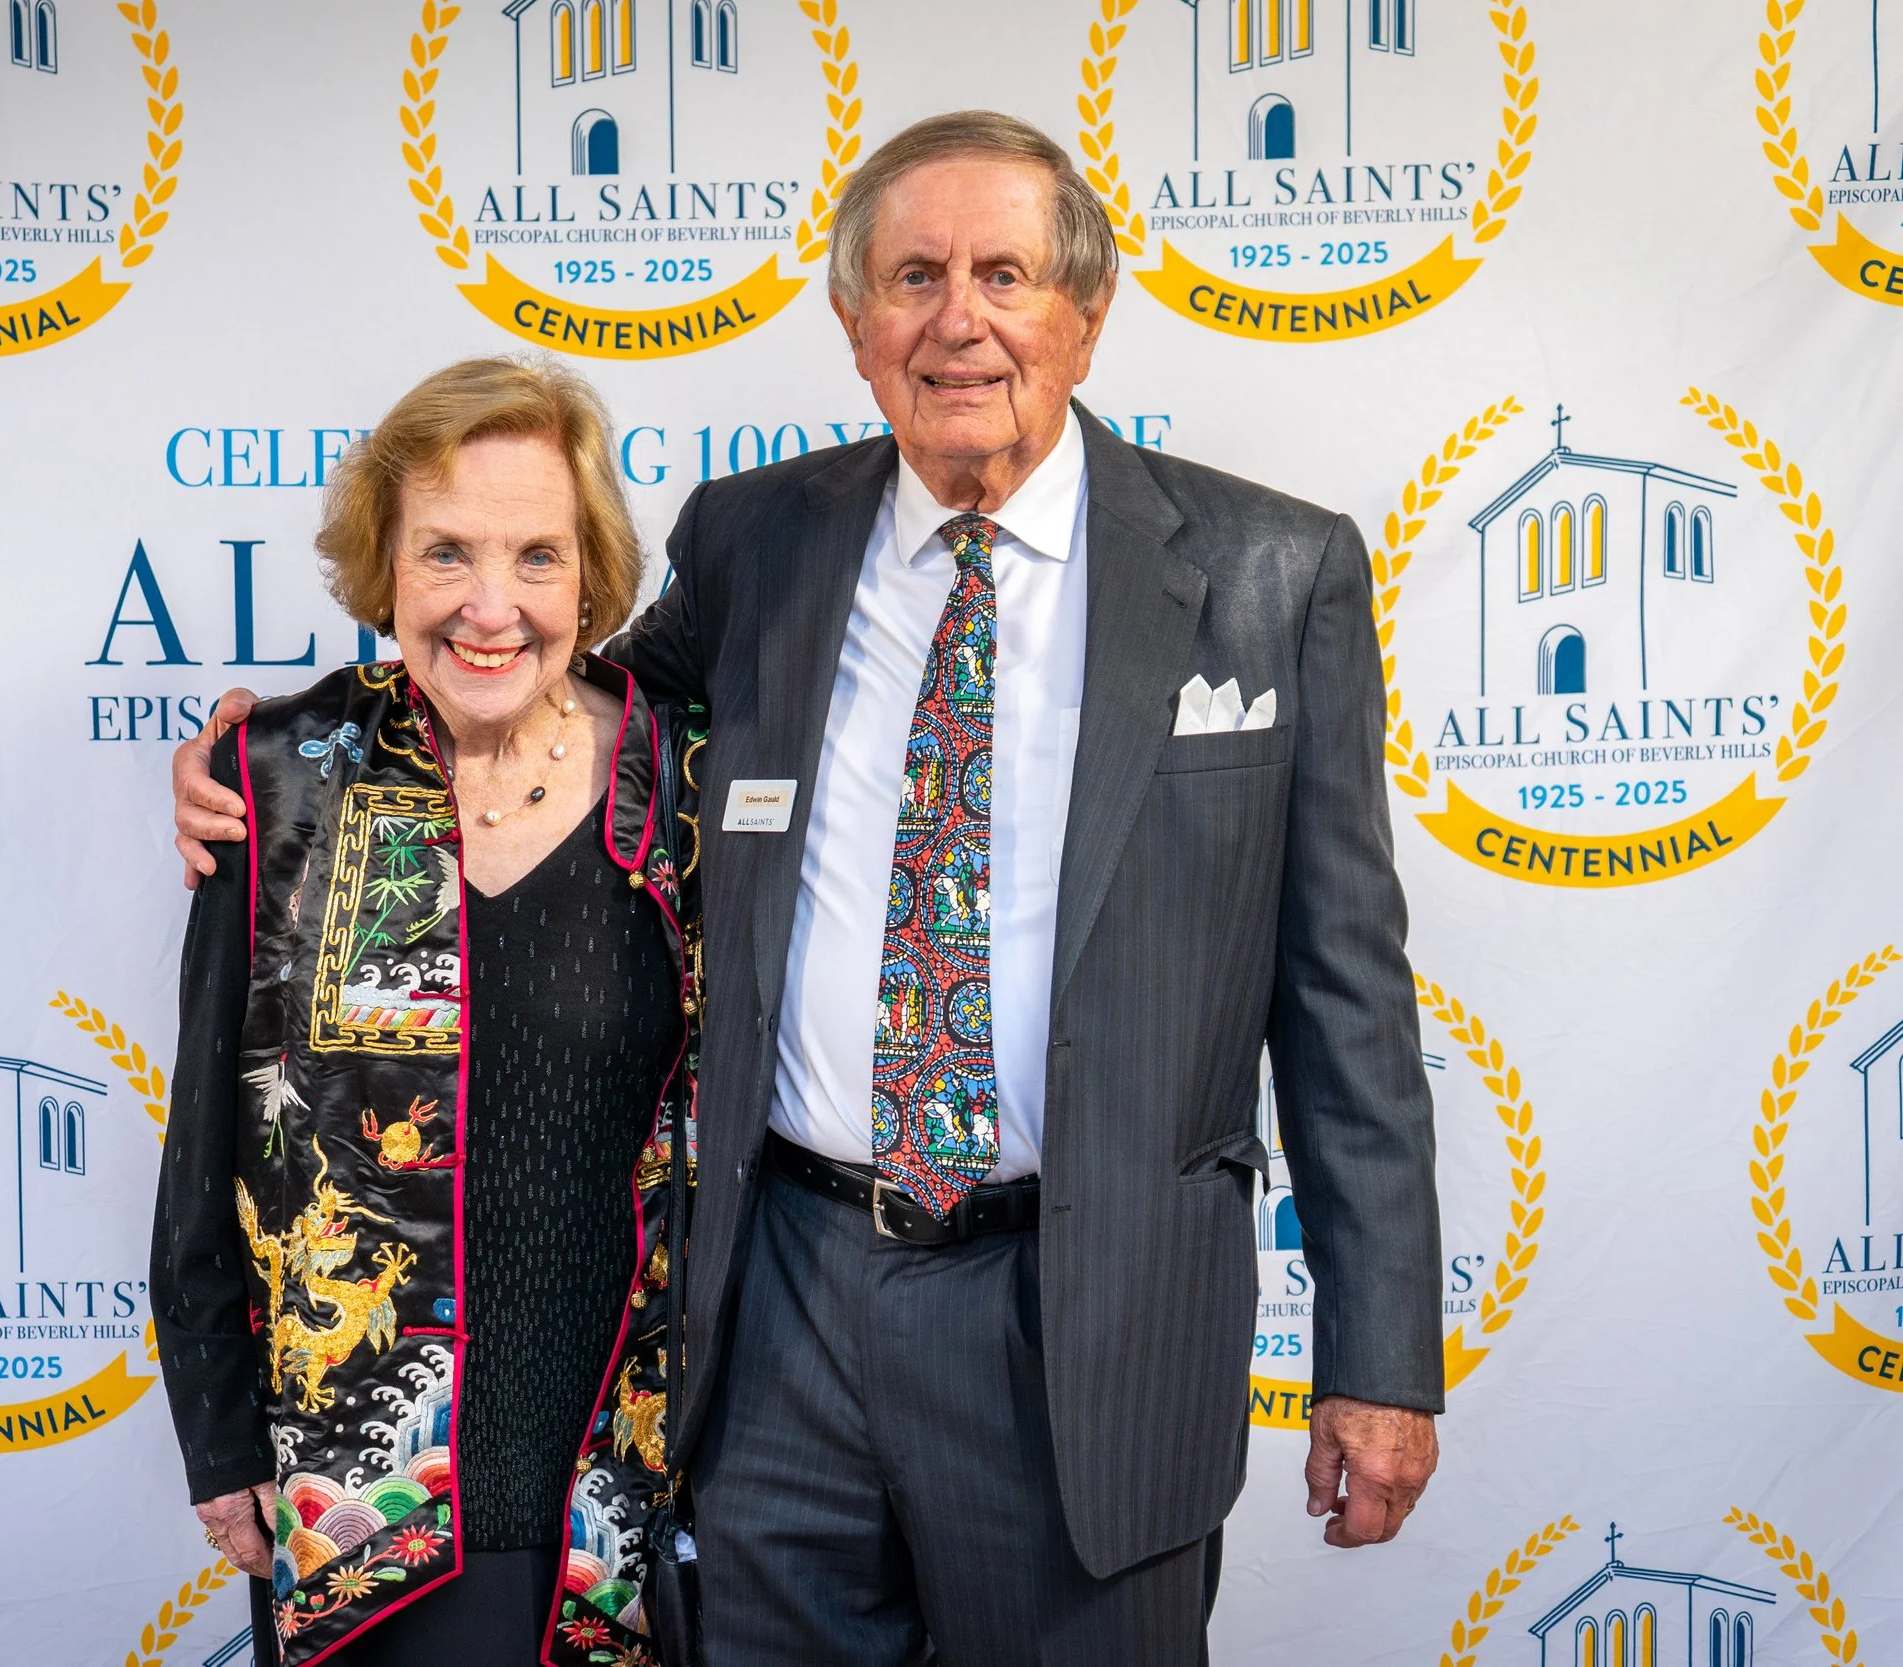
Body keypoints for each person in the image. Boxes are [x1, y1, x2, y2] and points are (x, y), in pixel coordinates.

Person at [179, 111, 1444, 1666]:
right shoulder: (758, 541)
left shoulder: (1271, 573)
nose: (959, 320)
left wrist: (1380, 1355)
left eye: (1004, 275)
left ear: (1087, 311)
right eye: (914, 277)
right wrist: (286, 749)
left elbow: (1347, 999)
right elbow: (548, 695)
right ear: (854, 324)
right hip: (781, 1314)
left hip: (1094, 1321)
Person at [151, 357, 705, 1667]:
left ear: (592, 576)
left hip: (636, 1482)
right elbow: (207, 1136)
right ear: (384, 566)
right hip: (357, 1493)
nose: (490, 606)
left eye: (537, 555)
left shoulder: (692, 774)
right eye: (446, 552)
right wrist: (220, 1438)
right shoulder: (278, 775)